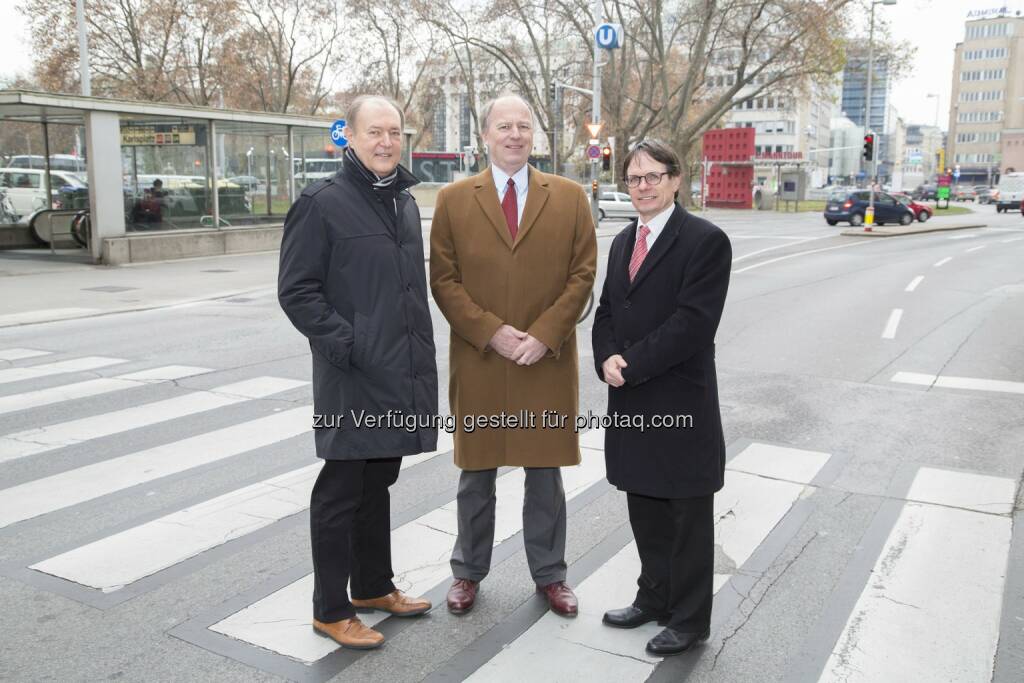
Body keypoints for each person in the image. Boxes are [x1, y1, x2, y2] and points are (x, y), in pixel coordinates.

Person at [278, 95, 438, 651]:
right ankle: (330, 608)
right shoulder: (321, 202)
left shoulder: (404, 203)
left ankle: (373, 586)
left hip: (398, 371)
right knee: (341, 489)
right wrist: (348, 343)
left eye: (394, 132)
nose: (386, 142)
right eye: (374, 131)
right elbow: (297, 290)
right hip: (352, 375)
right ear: (348, 135)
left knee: (378, 483)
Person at [430, 94, 597, 617]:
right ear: (485, 135)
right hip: (481, 360)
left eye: (524, 126)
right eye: (504, 126)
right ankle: (467, 574)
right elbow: (443, 282)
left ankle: (551, 576)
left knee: (545, 476)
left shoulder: (570, 198)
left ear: (535, 136)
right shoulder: (454, 200)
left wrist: (545, 334)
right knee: (476, 476)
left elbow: (583, 275)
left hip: (544, 361)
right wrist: (493, 333)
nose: (515, 135)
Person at [592, 139, 731, 657]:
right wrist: (605, 356)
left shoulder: (705, 241)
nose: (643, 186)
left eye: (653, 176)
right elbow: (606, 310)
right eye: (634, 178)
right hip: (630, 401)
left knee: (686, 515)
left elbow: (693, 323)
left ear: (676, 180)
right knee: (644, 505)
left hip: (679, 402)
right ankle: (653, 597)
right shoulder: (623, 241)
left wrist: (632, 364)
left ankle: (690, 619)